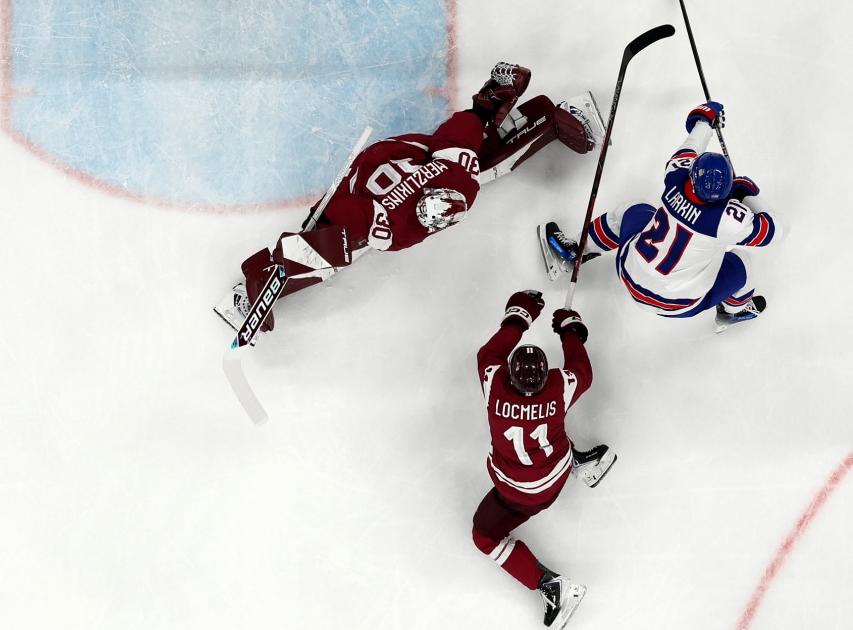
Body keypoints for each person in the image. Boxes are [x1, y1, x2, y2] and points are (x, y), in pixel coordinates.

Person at [214, 62, 607, 332]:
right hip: (386, 169)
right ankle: (261, 281)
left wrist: (485, 105)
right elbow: (355, 218)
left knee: (485, 159)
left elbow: (461, 133)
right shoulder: (428, 201)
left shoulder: (447, 191)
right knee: (334, 249)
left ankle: (544, 116)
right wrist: (485, 106)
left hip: (390, 164)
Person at [541, 101, 786, 331]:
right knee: (746, 261)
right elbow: (779, 229)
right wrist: (748, 195)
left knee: (634, 208)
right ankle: (731, 312)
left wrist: (704, 122)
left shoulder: (676, 177)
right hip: (679, 305)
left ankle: (576, 250)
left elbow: (691, 147)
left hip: (629, 274)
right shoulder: (729, 220)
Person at [472, 290, 616, 630]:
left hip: (521, 495)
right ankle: (581, 464)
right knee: (553, 432)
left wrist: (520, 315)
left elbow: (489, 353)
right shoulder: (558, 387)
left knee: (483, 537)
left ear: (509, 374)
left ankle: (552, 587)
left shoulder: (494, 383)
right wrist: (570, 329)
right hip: (557, 469)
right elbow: (582, 370)